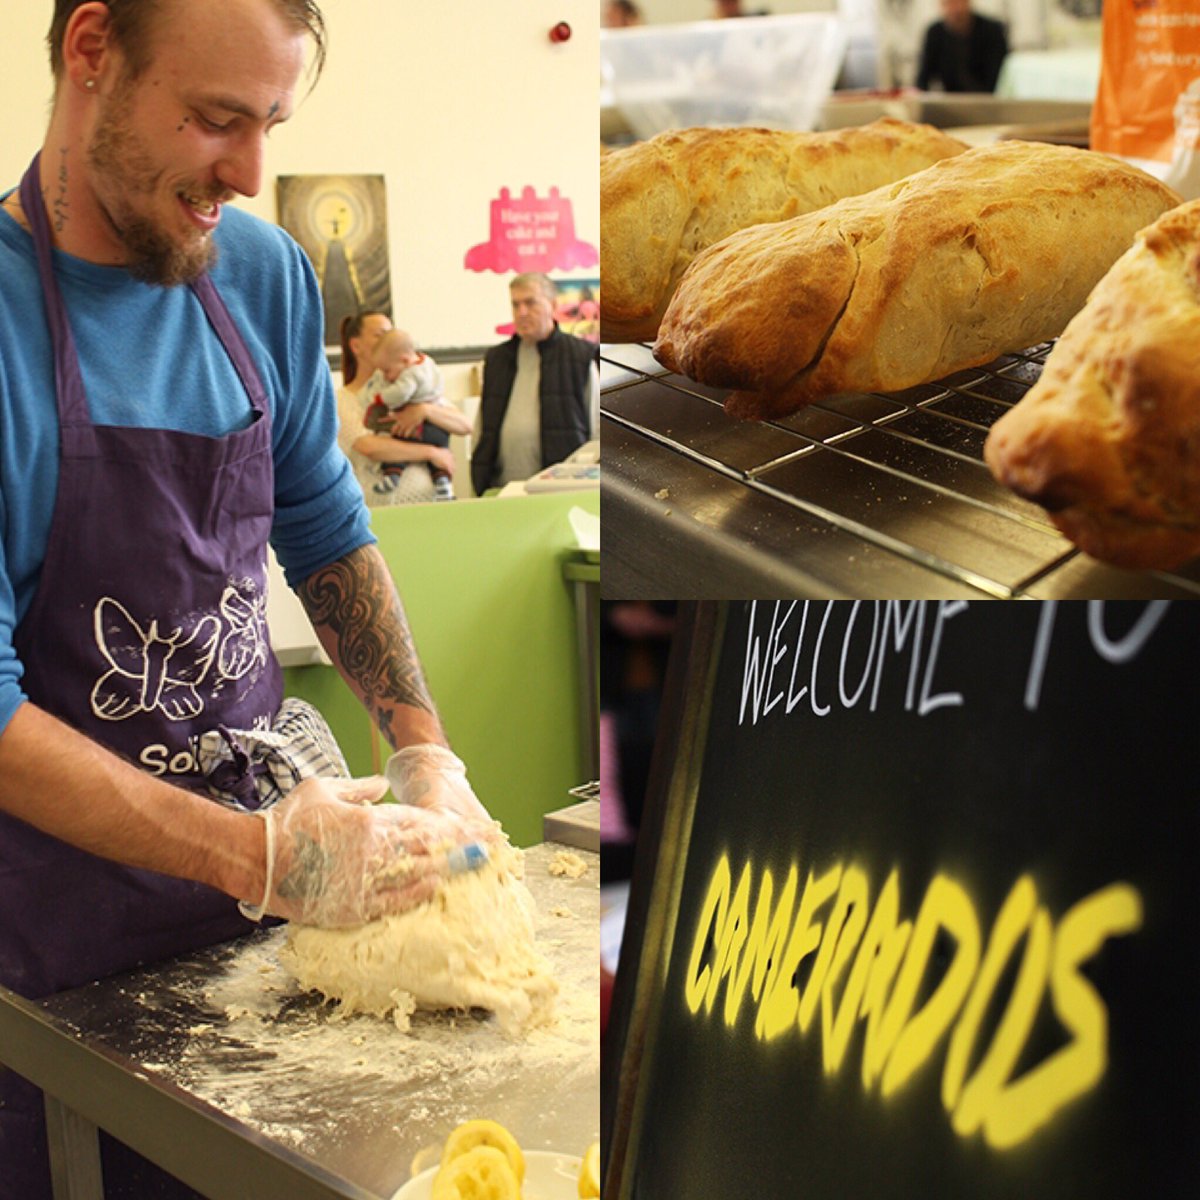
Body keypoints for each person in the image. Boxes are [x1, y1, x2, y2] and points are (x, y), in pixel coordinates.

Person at [0, 3, 494, 1197]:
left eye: (271, 123)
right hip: (53, 971)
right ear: (90, 52)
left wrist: (421, 742)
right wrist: (258, 855)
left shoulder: (262, 276)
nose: (250, 170)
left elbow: (324, 531)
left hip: (270, 950)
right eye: (217, 120)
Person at [470, 272, 599, 495]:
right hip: (502, 489)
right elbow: (482, 427)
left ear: (552, 304)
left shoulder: (580, 356)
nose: (521, 312)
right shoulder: (496, 359)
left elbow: (597, 427)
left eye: (530, 303)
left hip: (560, 490)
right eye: (515, 304)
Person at [337, 309, 470, 505]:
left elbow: (465, 425)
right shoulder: (342, 399)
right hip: (381, 511)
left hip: (433, 506)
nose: (389, 341)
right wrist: (432, 453)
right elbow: (369, 446)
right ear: (356, 346)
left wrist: (425, 410)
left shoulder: (415, 389)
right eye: (380, 335)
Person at [361, 328, 456, 501]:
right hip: (438, 432)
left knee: (396, 441)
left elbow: (400, 393)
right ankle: (442, 480)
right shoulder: (428, 364)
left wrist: (381, 398)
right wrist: (432, 453)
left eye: (388, 371)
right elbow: (366, 446)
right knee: (441, 451)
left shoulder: (410, 375)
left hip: (420, 428)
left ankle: (392, 474)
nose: (387, 377)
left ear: (404, 360)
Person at [915, 0, 1009, 94]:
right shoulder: (935, 33)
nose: (957, 9)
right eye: (950, 3)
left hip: (989, 101)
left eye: (960, 2)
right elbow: (923, 78)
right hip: (950, 103)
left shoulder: (992, 31)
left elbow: (1002, 78)